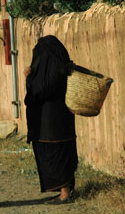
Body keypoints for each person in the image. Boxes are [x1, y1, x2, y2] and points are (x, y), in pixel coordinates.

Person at [24, 35, 78, 205]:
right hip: (65, 122)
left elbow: (36, 93)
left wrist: (28, 78)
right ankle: (66, 190)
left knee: (55, 155)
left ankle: (64, 194)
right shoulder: (63, 69)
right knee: (64, 154)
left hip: (48, 125)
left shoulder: (46, 76)